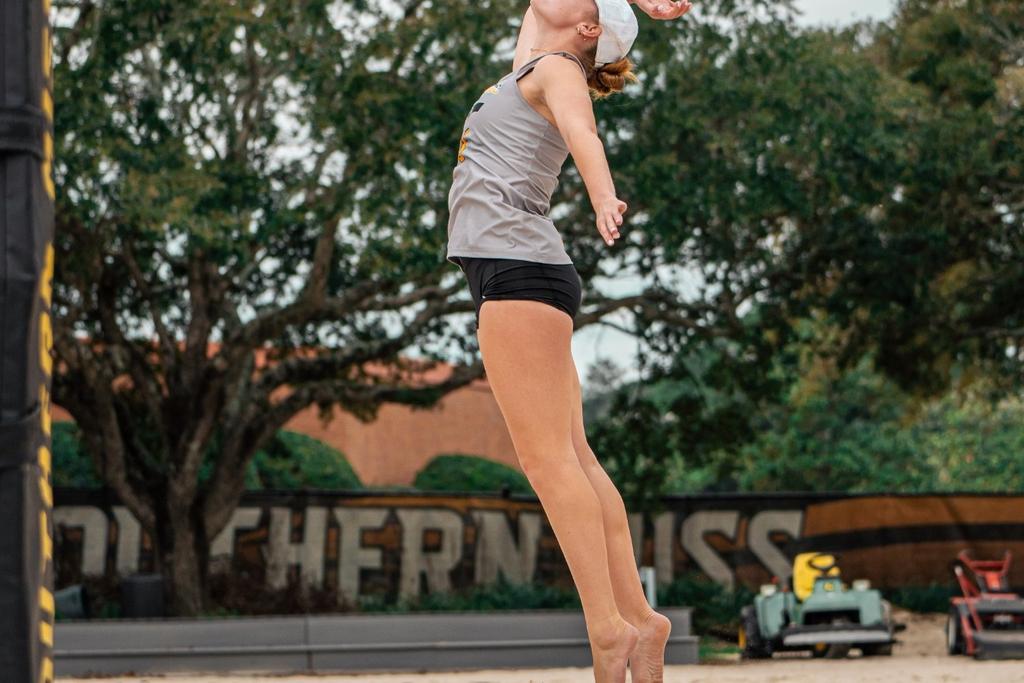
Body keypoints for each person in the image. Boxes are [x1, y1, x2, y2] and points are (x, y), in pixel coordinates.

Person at [445, 0, 691, 681]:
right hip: (532, 272)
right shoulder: (538, 63)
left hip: (518, 272)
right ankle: (641, 618)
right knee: (576, 458)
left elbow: (585, 134)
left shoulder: (558, 68)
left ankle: (607, 627)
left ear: (586, 31)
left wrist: (603, 194)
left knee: (550, 463)